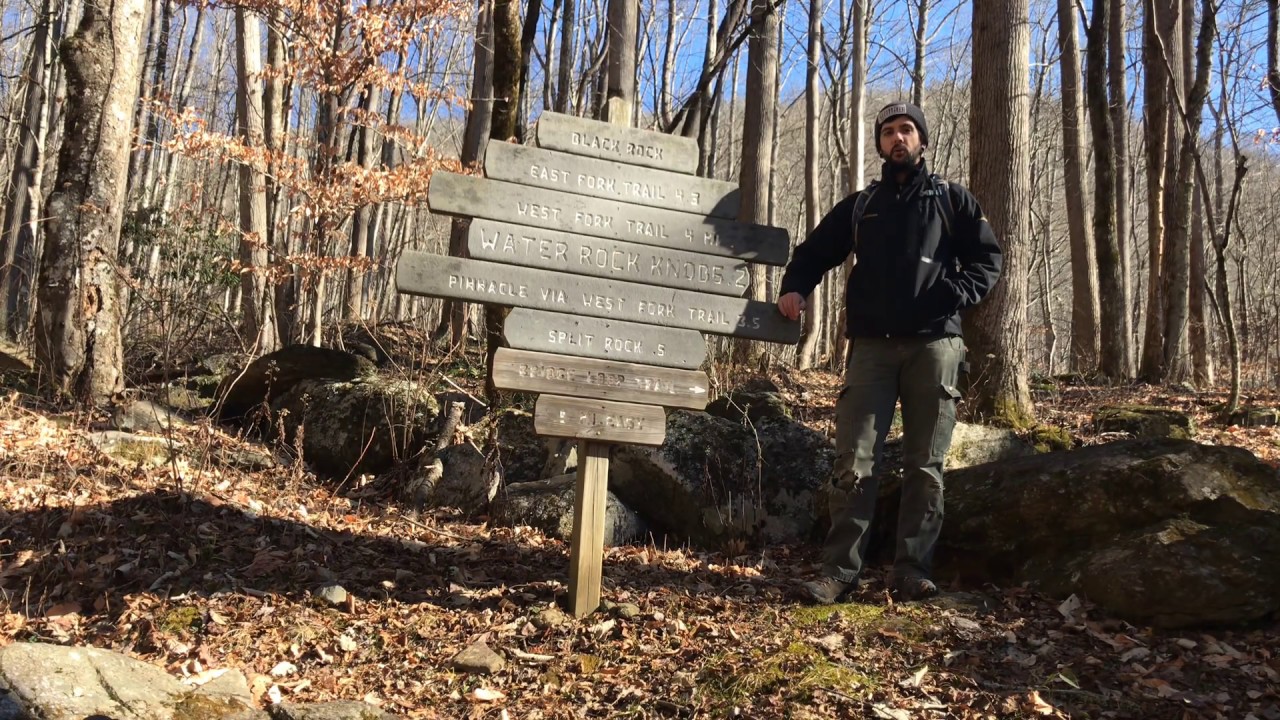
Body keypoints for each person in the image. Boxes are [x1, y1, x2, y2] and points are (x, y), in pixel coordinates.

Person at [776, 102, 1003, 604]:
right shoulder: (862, 205)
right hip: (871, 349)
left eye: (906, 130)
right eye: (888, 132)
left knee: (926, 464)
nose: (898, 138)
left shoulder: (951, 200)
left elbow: (989, 259)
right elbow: (814, 252)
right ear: (879, 144)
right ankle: (839, 571)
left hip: (935, 346)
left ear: (921, 139)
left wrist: (954, 293)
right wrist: (796, 288)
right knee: (854, 461)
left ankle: (911, 569)